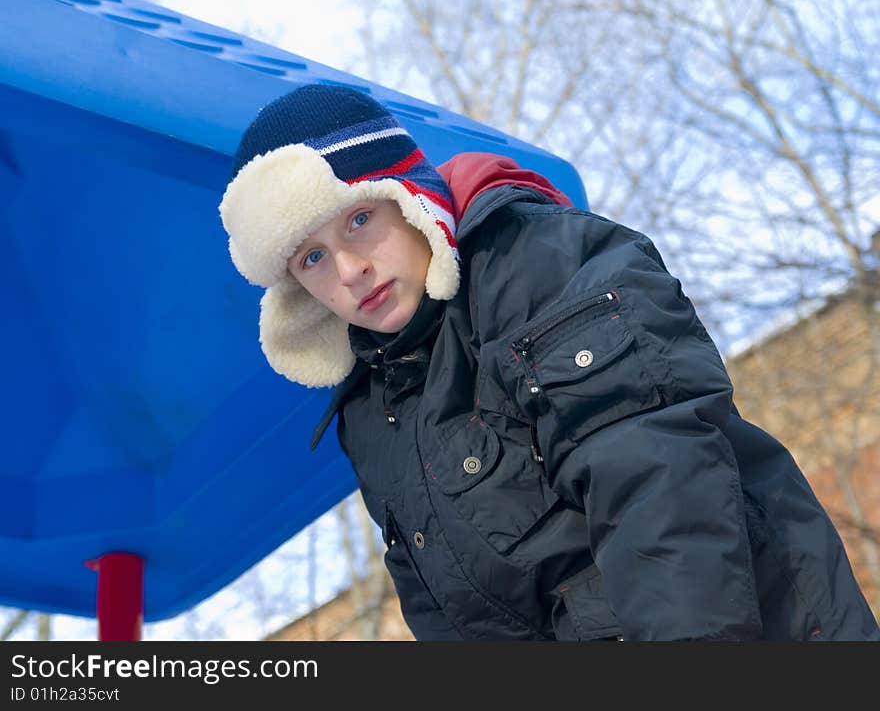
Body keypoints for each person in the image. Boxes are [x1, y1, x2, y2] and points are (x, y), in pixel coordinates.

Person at [219, 83, 880, 641]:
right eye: (312, 258)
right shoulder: (372, 407)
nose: (350, 270)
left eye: (359, 220)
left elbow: (663, 495)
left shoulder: (544, 265)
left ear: (409, 197)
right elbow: (446, 621)